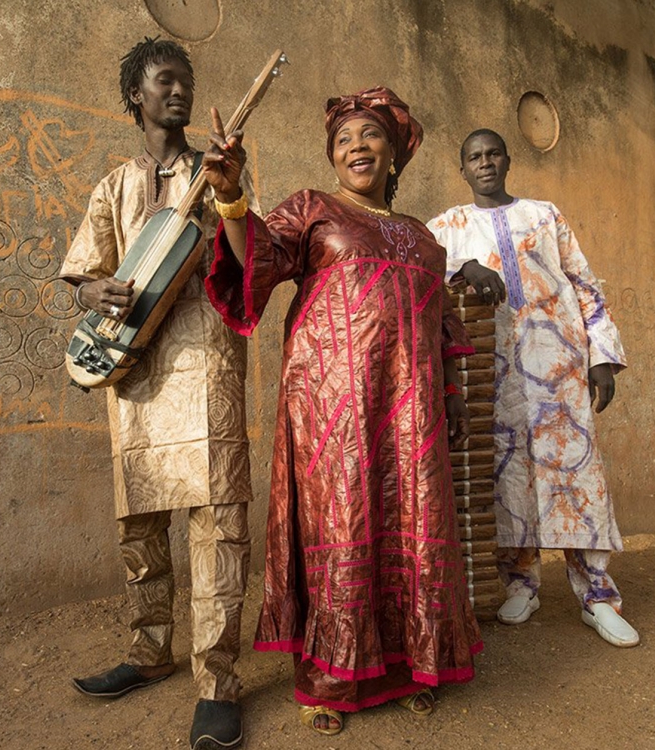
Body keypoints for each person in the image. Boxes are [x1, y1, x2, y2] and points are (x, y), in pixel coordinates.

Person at [202, 87, 482, 736]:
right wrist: (232, 199)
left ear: (395, 152)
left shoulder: (422, 237)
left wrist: (452, 396)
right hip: (333, 409)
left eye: (370, 135)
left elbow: (441, 326)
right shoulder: (312, 209)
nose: (357, 146)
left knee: (412, 527)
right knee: (342, 525)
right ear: (332, 157)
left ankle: (410, 667)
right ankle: (329, 677)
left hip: (412, 413)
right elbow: (257, 260)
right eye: (343, 139)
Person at [59, 37, 256, 750]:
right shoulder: (114, 186)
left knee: (217, 522)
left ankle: (217, 683)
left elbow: (247, 261)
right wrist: (93, 292)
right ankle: (150, 651)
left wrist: (230, 192)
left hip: (206, 362)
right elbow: (84, 275)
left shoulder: (221, 168)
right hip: (134, 368)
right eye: (163, 80)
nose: (178, 90)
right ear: (134, 96)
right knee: (139, 521)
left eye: (185, 81)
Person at [427, 129, 639, 648]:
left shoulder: (545, 215)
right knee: (507, 476)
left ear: (507, 160)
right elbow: (420, 269)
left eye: (492, 154)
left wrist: (601, 357)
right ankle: (521, 584)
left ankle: (597, 596)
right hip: (492, 371)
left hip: (559, 365)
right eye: (474, 157)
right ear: (462, 168)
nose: (484, 163)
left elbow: (583, 282)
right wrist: (465, 266)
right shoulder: (448, 226)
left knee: (576, 474)